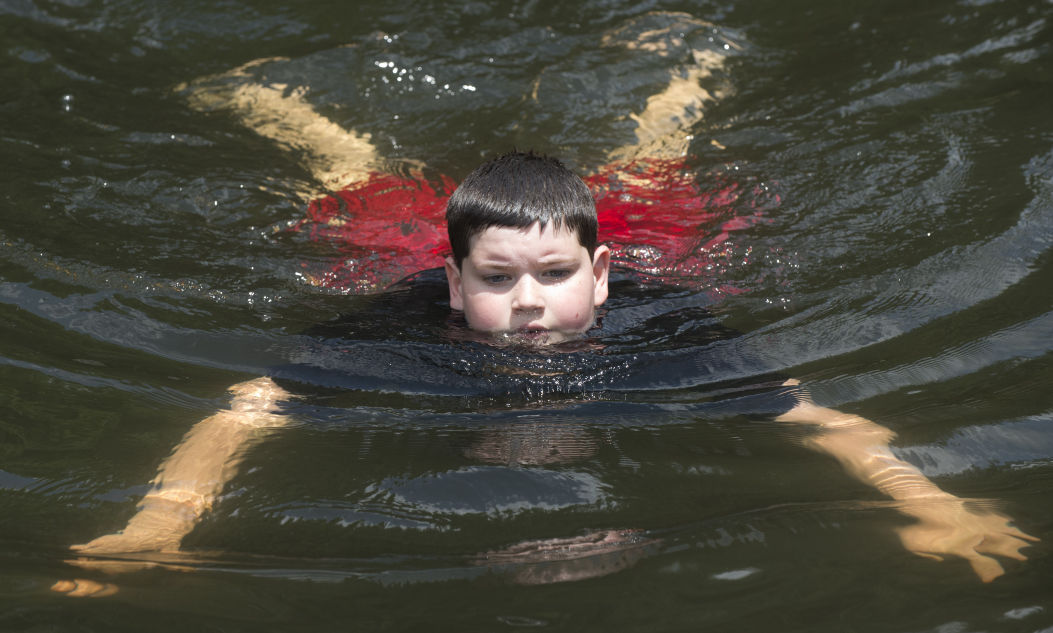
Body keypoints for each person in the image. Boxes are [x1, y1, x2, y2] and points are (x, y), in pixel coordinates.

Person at [53, 14, 1036, 597]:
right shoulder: (402, 322)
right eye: (496, 282)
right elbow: (246, 409)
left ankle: (685, 79)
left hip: (608, 221)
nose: (527, 303)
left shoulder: (659, 317)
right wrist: (159, 527)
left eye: (555, 278)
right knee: (360, 193)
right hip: (416, 242)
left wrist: (933, 506)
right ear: (457, 284)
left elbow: (816, 415)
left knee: (655, 173)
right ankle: (294, 117)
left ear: (600, 278)